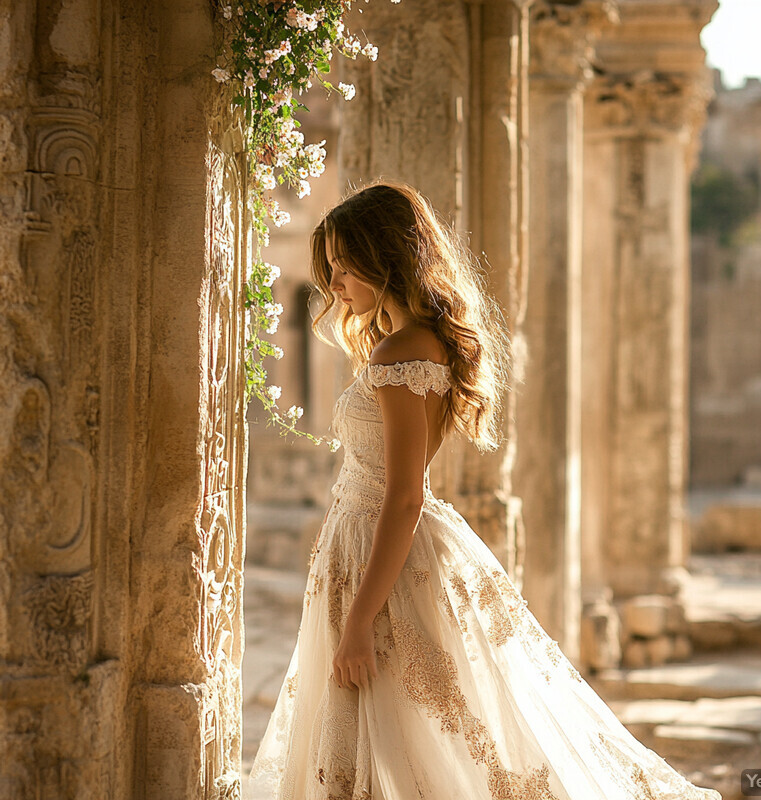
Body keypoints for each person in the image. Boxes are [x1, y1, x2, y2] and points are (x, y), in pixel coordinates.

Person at [245, 181, 723, 800]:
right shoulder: (419, 343)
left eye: (344, 266)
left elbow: (405, 495)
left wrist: (361, 617)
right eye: (331, 268)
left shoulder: (398, 354)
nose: (334, 284)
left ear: (383, 257)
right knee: (411, 735)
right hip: (376, 547)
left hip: (381, 549)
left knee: (406, 737)